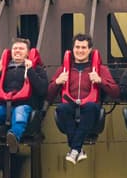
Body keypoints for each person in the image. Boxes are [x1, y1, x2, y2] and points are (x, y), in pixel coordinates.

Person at [47, 33, 118, 164]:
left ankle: (74, 148)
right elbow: (48, 96)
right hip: (69, 107)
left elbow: (115, 93)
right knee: (62, 108)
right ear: (72, 49)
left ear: (90, 50)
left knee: (91, 107)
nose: (80, 51)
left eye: (84, 48)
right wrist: (57, 82)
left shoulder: (100, 69)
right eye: (77, 47)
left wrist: (100, 81)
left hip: (91, 109)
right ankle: (77, 150)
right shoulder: (63, 69)